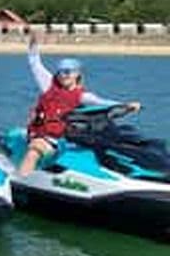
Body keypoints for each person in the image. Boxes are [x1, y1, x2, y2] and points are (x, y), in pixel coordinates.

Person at [19, 34, 141, 175]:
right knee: (35, 150)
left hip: (66, 139)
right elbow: (35, 63)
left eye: (67, 72)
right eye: (60, 72)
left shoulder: (83, 96)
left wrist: (128, 106)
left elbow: (104, 103)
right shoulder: (48, 85)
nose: (63, 75)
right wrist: (33, 45)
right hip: (43, 136)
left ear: (77, 74)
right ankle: (20, 182)